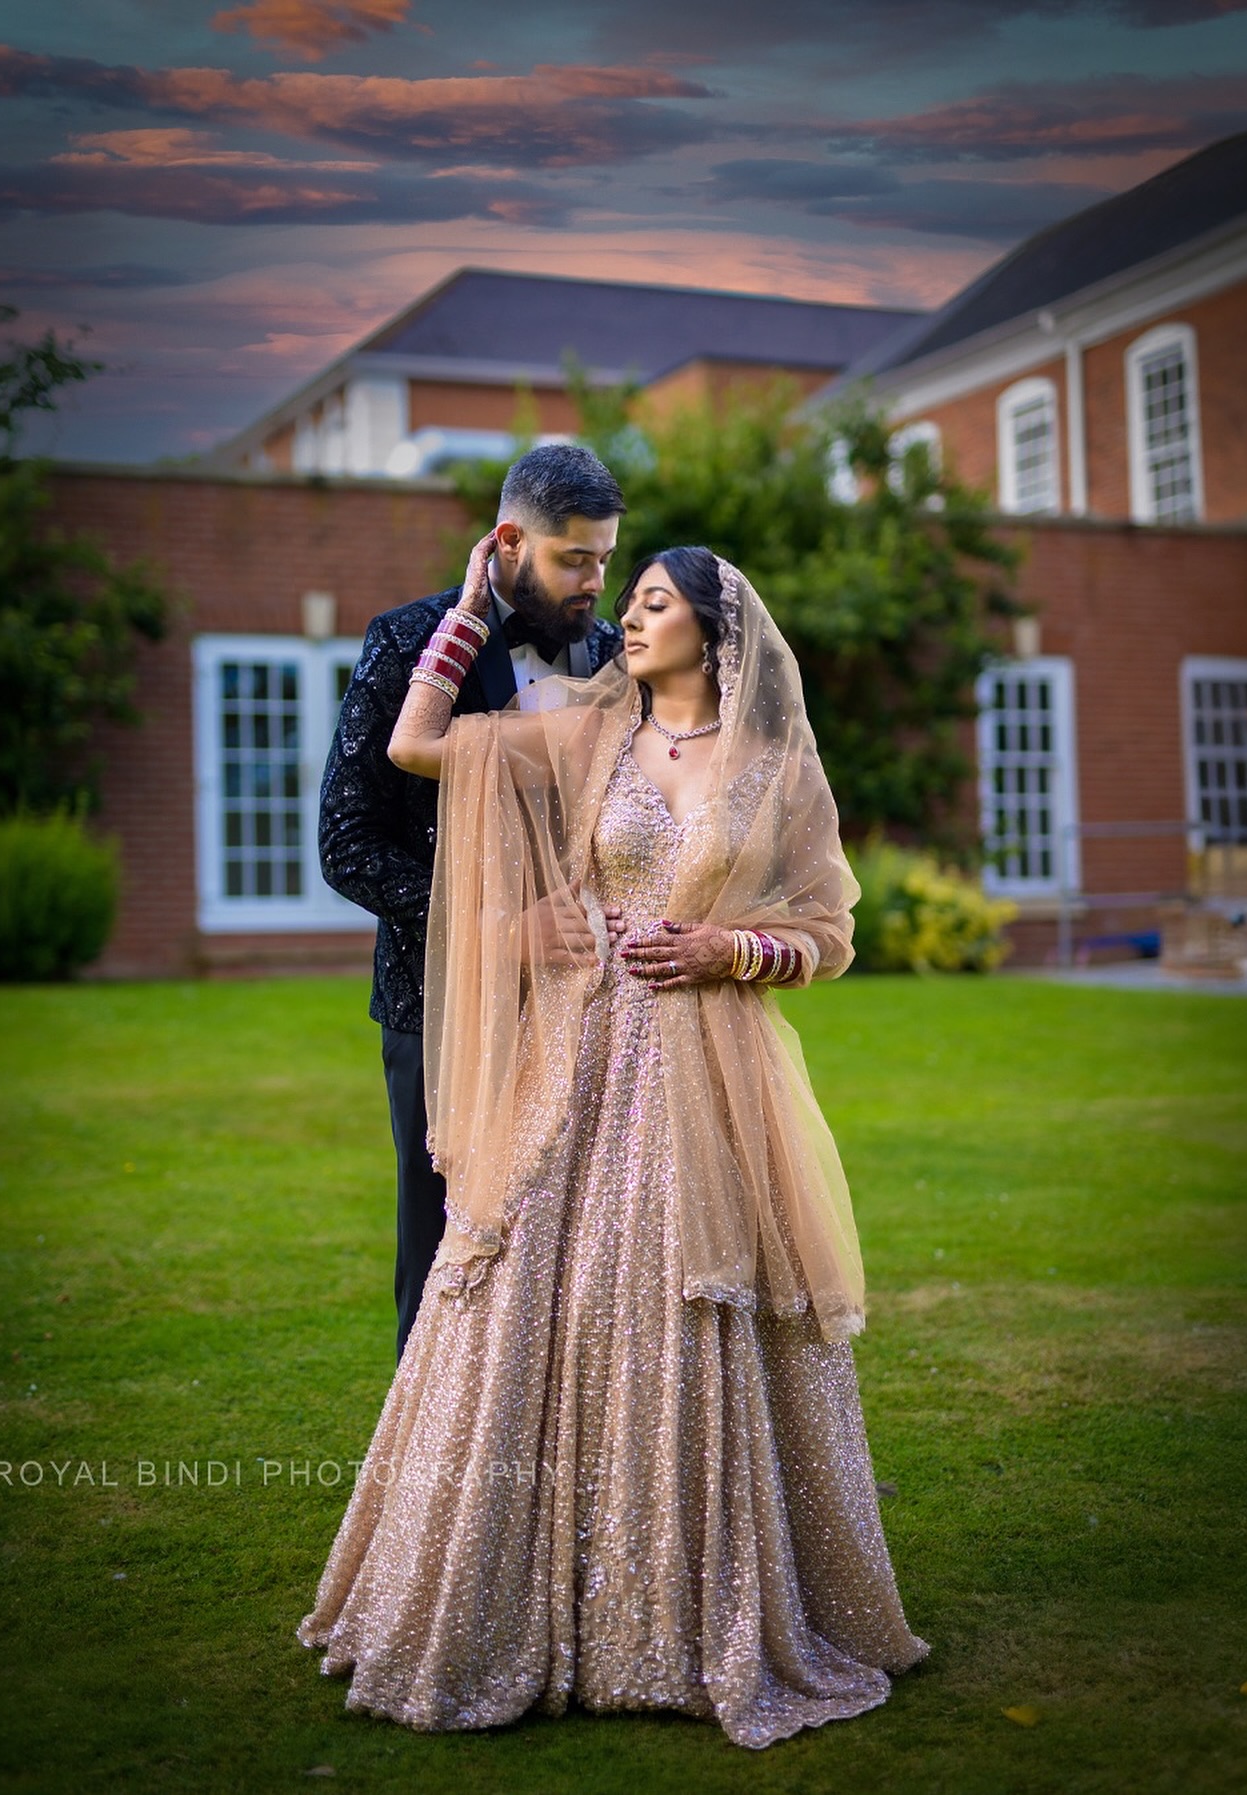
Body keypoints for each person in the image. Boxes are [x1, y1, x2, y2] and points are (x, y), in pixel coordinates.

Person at [297, 540, 930, 1750]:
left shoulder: (776, 767)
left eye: (652, 602)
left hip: (710, 1072)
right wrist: (472, 613)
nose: (626, 618)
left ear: (713, 627)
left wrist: (731, 952)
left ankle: (692, 1607)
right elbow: (419, 744)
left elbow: (829, 932)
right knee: (537, 1295)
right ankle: (508, 1595)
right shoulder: (592, 732)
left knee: (693, 1305)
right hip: (579, 1064)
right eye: (626, 599)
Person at [317, 444, 626, 1360]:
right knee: (447, 1250)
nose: (593, 582)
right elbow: (346, 842)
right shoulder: (408, 639)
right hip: (440, 1008)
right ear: (507, 541)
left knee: (577, 1255)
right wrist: (496, 925)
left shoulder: (614, 655)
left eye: (606, 558)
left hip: (586, 1007)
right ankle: (424, 1492)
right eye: (575, 558)